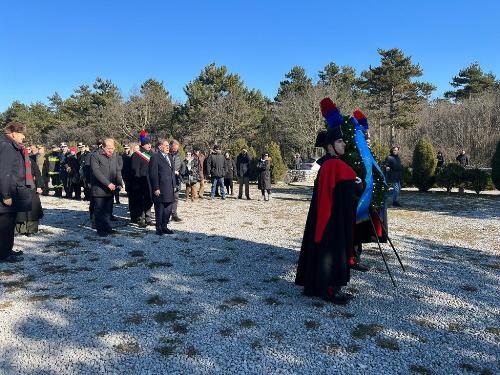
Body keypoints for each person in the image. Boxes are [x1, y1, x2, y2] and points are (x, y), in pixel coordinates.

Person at [295, 126, 357, 304]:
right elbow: (327, 199)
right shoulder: (333, 165)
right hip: (332, 221)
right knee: (331, 252)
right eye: (339, 141)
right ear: (330, 147)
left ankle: (321, 286)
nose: (344, 144)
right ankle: (330, 288)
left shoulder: (331, 164)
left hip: (332, 219)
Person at [0, 122, 32, 262]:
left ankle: (7, 249)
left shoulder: (10, 145)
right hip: (8, 193)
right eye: (22, 133)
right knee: (4, 226)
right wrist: (5, 194)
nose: (24, 137)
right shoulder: (6, 146)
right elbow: (4, 172)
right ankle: (3, 254)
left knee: (9, 224)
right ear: (13, 132)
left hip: (13, 191)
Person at [90, 138, 123, 237]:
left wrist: (119, 182)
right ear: (103, 147)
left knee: (108, 210)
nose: (111, 150)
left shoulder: (114, 155)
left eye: (112, 148)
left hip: (110, 189)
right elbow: (96, 172)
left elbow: (117, 170)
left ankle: (108, 227)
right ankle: (100, 229)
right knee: (99, 210)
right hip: (99, 189)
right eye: (109, 148)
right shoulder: (95, 156)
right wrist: (107, 183)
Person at [149, 139, 175, 235]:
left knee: (168, 208)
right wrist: (156, 187)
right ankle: (159, 227)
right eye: (166, 145)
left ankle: (164, 226)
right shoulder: (155, 157)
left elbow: (172, 172)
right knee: (160, 209)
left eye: (168, 145)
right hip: (160, 188)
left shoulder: (170, 157)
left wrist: (174, 185)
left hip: (169, 187)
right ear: (160, 147)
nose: (168, 147)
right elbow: (153, 174)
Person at [16, 145, 44, 235]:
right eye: (25, 150)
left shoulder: (31, 161)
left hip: (31, 188)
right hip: (20, 188)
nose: (27, 151)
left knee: (32, 209)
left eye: (28, 150)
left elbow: (38, 174)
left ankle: (31, 229)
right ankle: (21, 229)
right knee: (21, 211)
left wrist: (39, 186)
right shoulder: (16, 161)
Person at [129, 136, 153, 227]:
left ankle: (148, 218)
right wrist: (136, 183)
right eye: (147, 144)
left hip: (149, 182)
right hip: (140, 182)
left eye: (150, 143)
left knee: (149, 201)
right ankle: (140, 219)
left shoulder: (152, 154)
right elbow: (135, 170)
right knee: (140, 202)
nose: (149, 145)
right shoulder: (137, 155)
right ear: (143, 145)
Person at [169, 140, 182, 222]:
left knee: (176, 197)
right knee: (168, 197)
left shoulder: (179, 156)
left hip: (177, 179)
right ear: (171, 146)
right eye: (174, 148)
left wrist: (181, 173)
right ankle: (167, 214)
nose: (175, 149)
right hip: (168, 179)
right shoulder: (166, 155)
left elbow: (182, 167)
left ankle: (174, 214)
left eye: (177, 148)